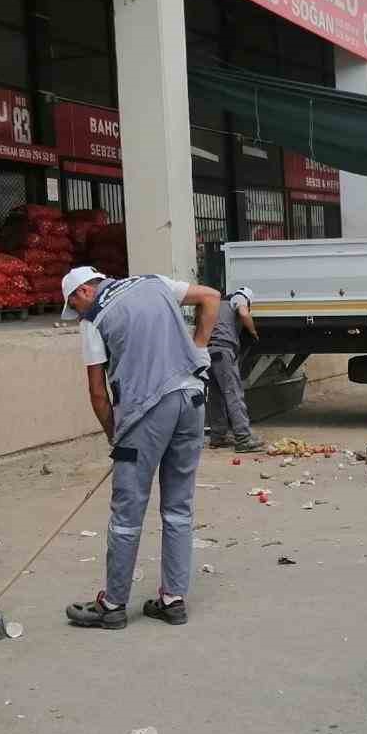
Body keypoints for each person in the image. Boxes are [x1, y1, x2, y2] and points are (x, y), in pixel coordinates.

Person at [61, 265, 220, 630]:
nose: (77, 314)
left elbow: (98, 393)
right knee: (179, 507)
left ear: (84, 291)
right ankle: (173, 600)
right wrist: (198, 347)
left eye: (74, 305)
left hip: (146, 414)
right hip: (192, 401)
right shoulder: (155, 283)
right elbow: (211, 297)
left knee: (127, 514)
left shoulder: (94, 320)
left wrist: (113, 436)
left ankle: (114, 605)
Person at [206, 286, 266, 453]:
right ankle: (243, 438)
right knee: (233, 394)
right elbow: (244, 314)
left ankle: (218, 436)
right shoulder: (238, 298)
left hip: (209, 351)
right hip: (224, 351)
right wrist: (253, 332)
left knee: (216, 395)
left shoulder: (217, 304)